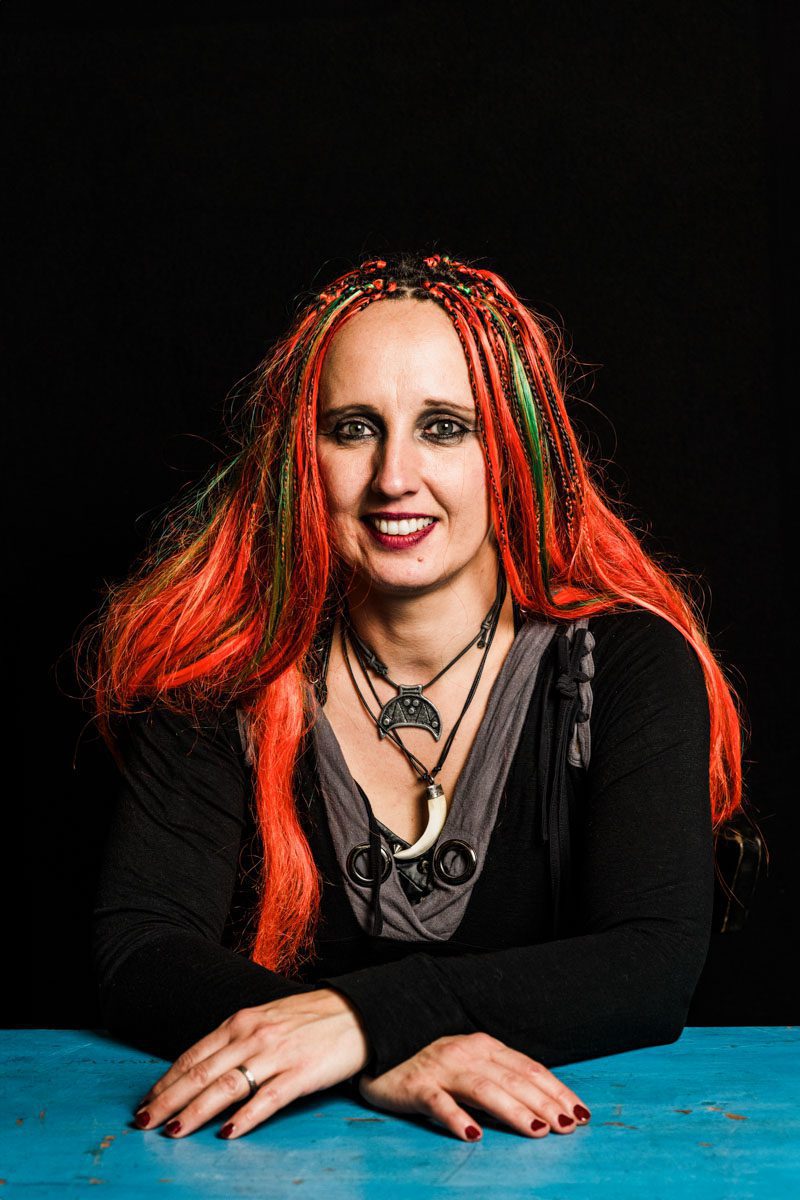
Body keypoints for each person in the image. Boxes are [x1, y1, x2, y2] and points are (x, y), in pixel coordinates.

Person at [79, 251, 746, 1145]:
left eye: (444, 427)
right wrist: (388, 1046)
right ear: (299, 458)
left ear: (512, 453)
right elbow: (141, 947)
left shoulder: (625, 665)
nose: (395, 476)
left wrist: (357, 1022)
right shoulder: (222, 669)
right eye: (354, 428)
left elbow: (651, 963)